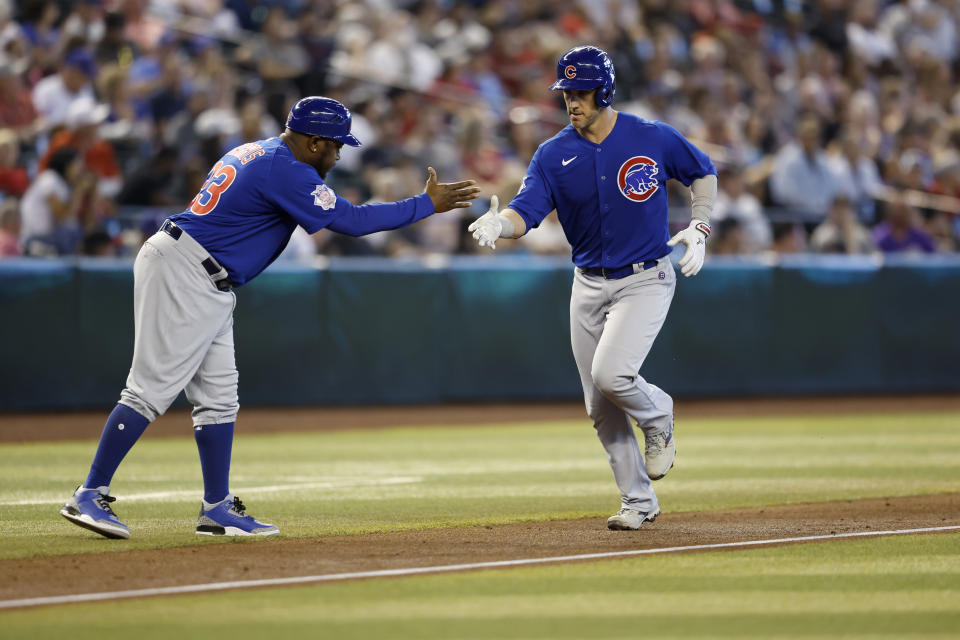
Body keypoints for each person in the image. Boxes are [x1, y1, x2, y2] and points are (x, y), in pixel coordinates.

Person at [60, 96, 480, 539]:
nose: (338, 155)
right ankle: (90, 492)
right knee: (150, 388)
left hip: (203, 272)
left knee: (220, 398)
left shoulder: (257, 151)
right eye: (336, 145)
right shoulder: (287, 167)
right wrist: (423, 205)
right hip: (187, 268)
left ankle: (217, 507)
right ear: (314, 142)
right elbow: (350, 221)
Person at [469, 46, 717, 531]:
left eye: (579, 92)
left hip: (646, 276)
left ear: (603, 90)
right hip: (587, 282)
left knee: (612, 375)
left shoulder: (650, 136)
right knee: (599, 406)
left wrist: (700, 225)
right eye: (566, 93)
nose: (571, 102)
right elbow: (528, 211)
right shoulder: (553, 152)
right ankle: (638, 501)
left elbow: (702, 171)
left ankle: (658, 413)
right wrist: (502, 225)